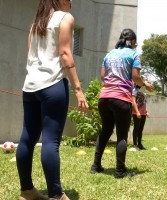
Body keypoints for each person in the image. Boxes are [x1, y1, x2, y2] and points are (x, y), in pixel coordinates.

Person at [16, 0, 88, 199]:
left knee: (27, 139)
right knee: (50, 141)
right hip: (52, 85)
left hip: (30, 87)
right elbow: (65, 54)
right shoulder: (65, 18)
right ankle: (56, 195)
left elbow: (30, 59)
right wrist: (78, 89)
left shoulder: (35, 24)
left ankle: (27, 190)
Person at [90, 28, 154, 178]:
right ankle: (120, 171)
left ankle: (95, 165)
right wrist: (146, 84)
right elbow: (136, 77)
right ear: (132, 41)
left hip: (104, 98)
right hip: (121, 98)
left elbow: (103, 77)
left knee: (105, 130)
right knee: (122, 135)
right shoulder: (133, 54)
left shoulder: (109, 54)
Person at [132, 76, 149, 150]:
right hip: (137, 113)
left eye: (143, 80)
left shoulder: (143, 91)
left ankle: (140, 144)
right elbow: (133, 101)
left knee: (141, 129)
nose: (143, 82)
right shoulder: (134, 90)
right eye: (141, 80)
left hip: (143, 113)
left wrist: (146, 111)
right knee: (136, 128)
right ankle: (135, 145)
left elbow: (144, 102)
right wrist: (137, 112)